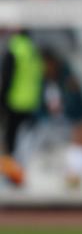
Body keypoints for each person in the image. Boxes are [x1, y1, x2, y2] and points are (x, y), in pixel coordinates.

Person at [0, 28, 43, 185]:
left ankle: (11, 176)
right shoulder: (33, 51)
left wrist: (2, 101)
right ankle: (20, 173)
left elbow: (7, 78)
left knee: (10, 142)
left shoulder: (14, 50)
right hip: (30, 102)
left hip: (14, 101)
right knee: (24, 142)